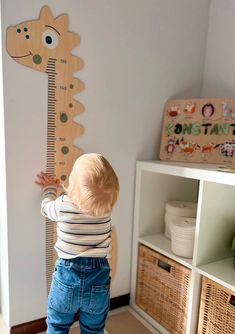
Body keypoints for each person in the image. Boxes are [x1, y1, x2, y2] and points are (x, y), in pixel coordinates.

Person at [35, 153, 119, 334]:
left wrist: (50, 188)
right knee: (93, 330)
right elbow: (88, 200)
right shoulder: (105, 209)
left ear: (72, 186)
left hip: (67, 278)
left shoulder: (63, 205)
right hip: (98, 281)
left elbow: (45, 208)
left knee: (57, 326)